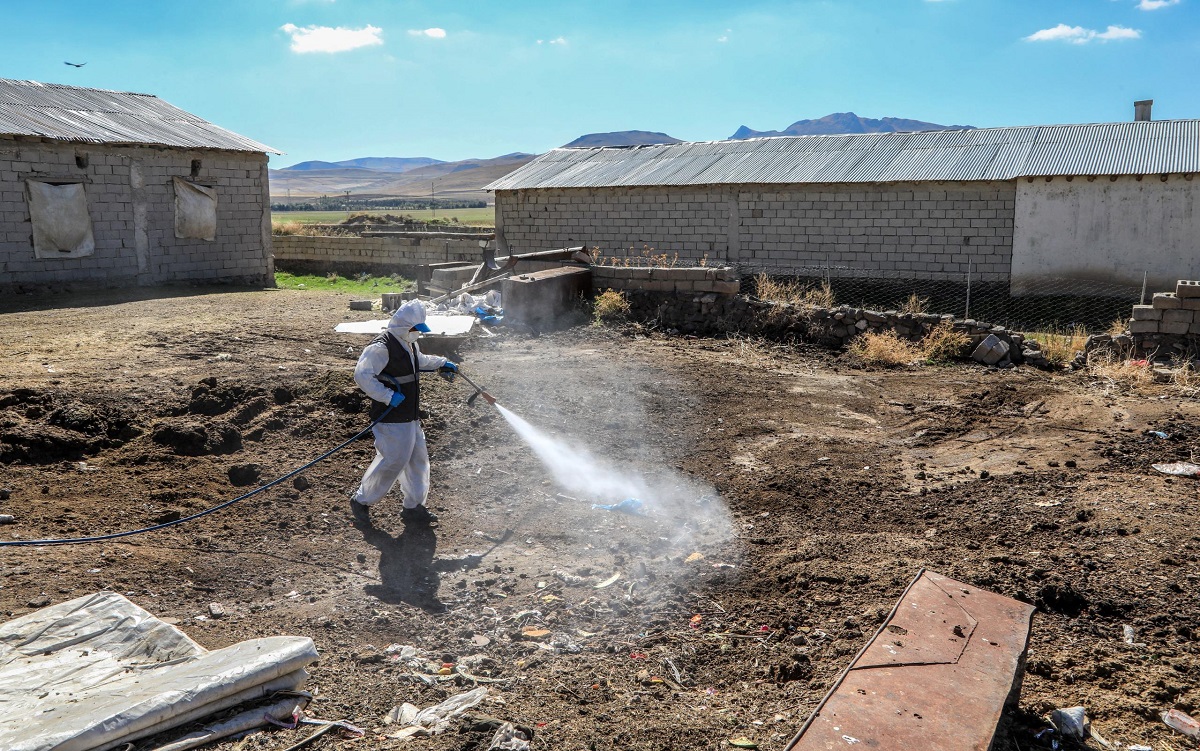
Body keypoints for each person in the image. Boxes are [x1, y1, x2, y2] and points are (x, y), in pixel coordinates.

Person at [350, 299, 458, 526]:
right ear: (403, 326)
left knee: (418, 461)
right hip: (390, 416)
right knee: (393, 461)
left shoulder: (408, 344)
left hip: (409, 415)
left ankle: (413, 507)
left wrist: (442, 362)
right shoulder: (381, 347)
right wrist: (388, 396)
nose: (417, 333)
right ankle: (361, 501)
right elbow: (362, 375)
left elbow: (418, 361)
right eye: (415, 329)